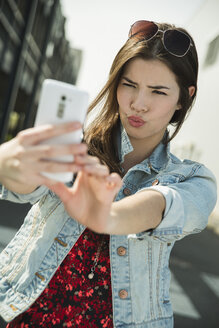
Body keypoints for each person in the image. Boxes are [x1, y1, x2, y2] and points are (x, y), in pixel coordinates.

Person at [0, 20, 217, 328]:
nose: (138, 104)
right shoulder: (74, 149)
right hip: (33, 317)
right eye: (129, 85)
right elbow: (28, 184)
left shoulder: (192, 178)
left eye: (157, 91)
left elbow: (163, 205)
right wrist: (8, 165)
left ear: (183, 97)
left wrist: (108, 218)